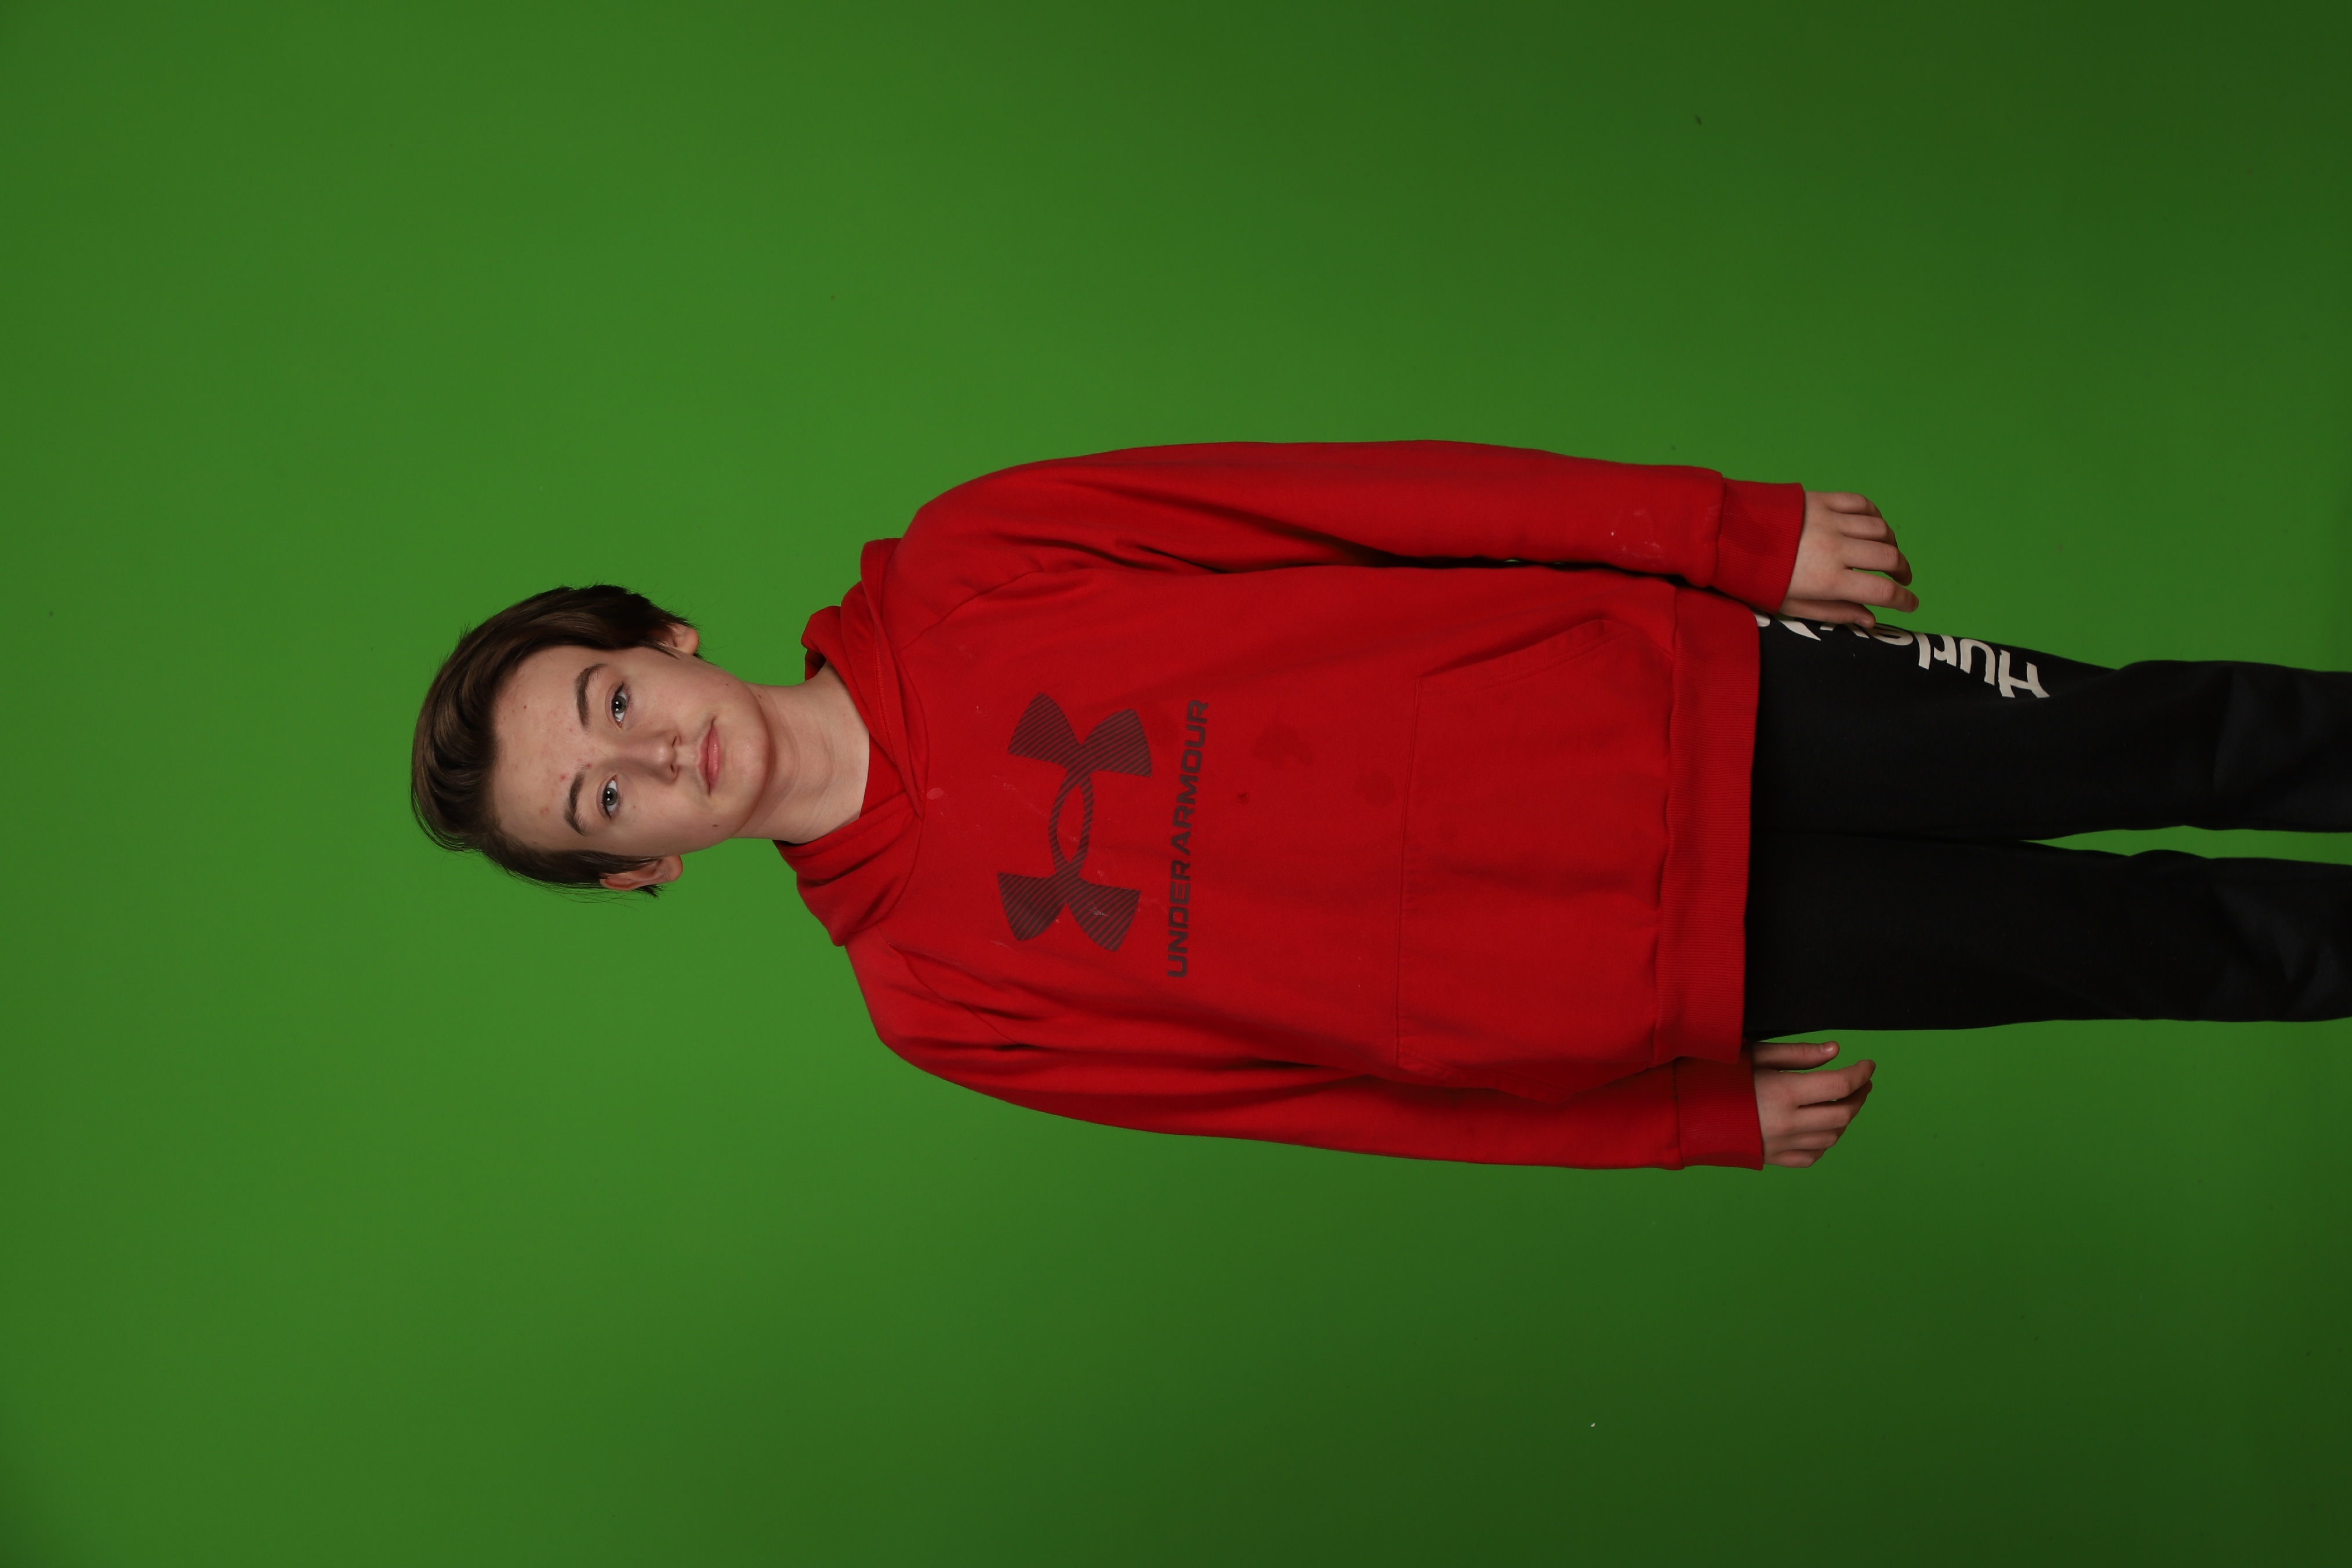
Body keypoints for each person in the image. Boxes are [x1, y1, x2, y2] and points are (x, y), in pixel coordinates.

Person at [411, 442, 2352, 1171]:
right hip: (1647, 969)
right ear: (639, 870)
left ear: (663, 637)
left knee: (2157, 740)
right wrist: (1675, 1119)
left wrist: (1716, 531)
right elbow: (1319, 1103)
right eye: (600, 804)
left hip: (1679, 696)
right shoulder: (936, 1003)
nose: (651, 756)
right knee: (2143, 945)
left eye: (611, 703)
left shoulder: (978, 557)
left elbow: (1350, 501)